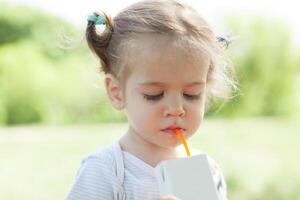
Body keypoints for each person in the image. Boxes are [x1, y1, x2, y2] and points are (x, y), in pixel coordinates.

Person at [66, 0, 235, 199]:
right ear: (117, 92)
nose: (176, 109)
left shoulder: (208, 169)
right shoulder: (106, 171)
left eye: (191, 94)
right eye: (154, 95)